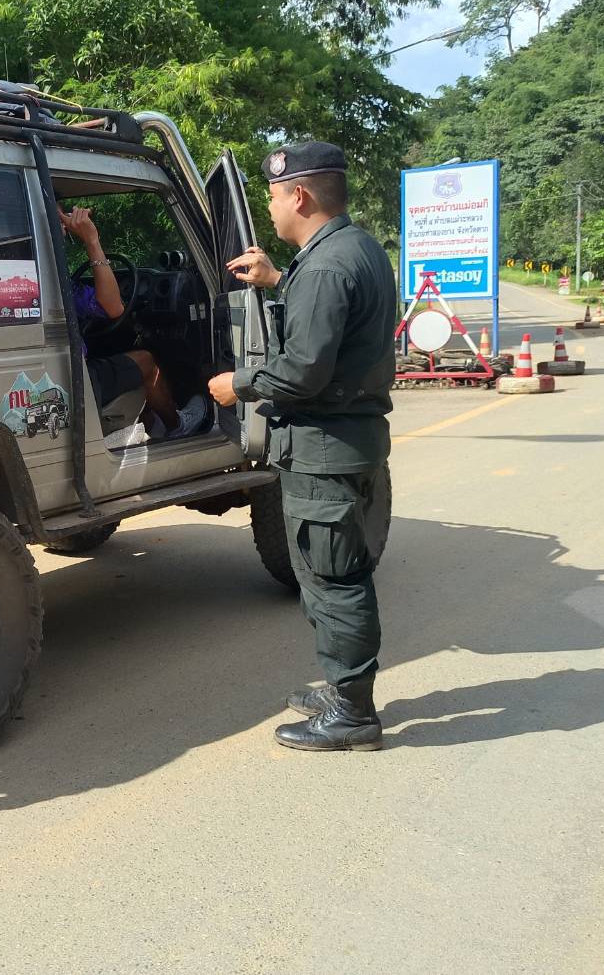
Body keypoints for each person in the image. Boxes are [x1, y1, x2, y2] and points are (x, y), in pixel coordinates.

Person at [206, 142, 397, 752]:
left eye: (272, 195)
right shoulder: (356, 249)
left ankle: (352, 713)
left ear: (300, 195)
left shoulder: (324, 268)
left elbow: (301, 373)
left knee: (334, 580)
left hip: (323, 449)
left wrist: (236, 384)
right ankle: (344, 691)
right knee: (337, 572)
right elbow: (332, 317)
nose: (269, 207)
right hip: (350, 442)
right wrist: (278, 279)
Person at [59, 206, 206, 439]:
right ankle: (177, 426)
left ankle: (150, 424)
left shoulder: (38, 275)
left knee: (118, 356)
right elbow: (114, 307)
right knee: (145, 362)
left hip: (62, 373)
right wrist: (92, 240)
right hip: (76, 380)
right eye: (60, 219)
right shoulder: (55, 281)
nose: (65, 226)